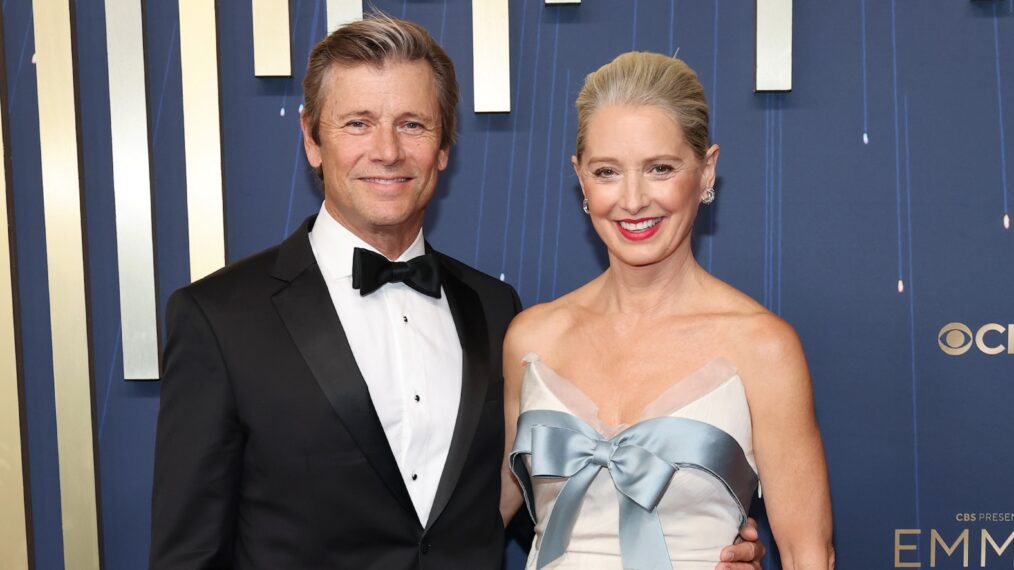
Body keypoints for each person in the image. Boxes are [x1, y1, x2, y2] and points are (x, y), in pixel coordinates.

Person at [150, 14, 766, 570]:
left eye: (412, 124)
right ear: (313, 138)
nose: (387, 151)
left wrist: (696, 532)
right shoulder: (220, 319)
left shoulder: (498, 314)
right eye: (358, 123)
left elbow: (541, 502)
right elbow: (188, 553)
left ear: (444, 145)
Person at [500, 52, 835, 570]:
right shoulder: (531, 338)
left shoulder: (762, 346)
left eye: (661, 168)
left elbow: (808, 553)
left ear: (707, 171)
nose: (633, 200)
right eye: (607, 171)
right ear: (581, 180)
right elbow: (480, 518)